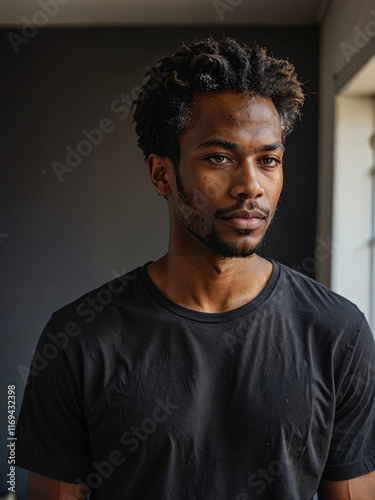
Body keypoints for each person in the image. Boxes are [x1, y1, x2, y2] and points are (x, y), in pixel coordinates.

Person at [15, 36, 375, 500]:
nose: (251, 186)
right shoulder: (77, 339)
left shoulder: (338, 333)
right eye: (219, 158)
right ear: (162, 174)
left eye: (268, 160)